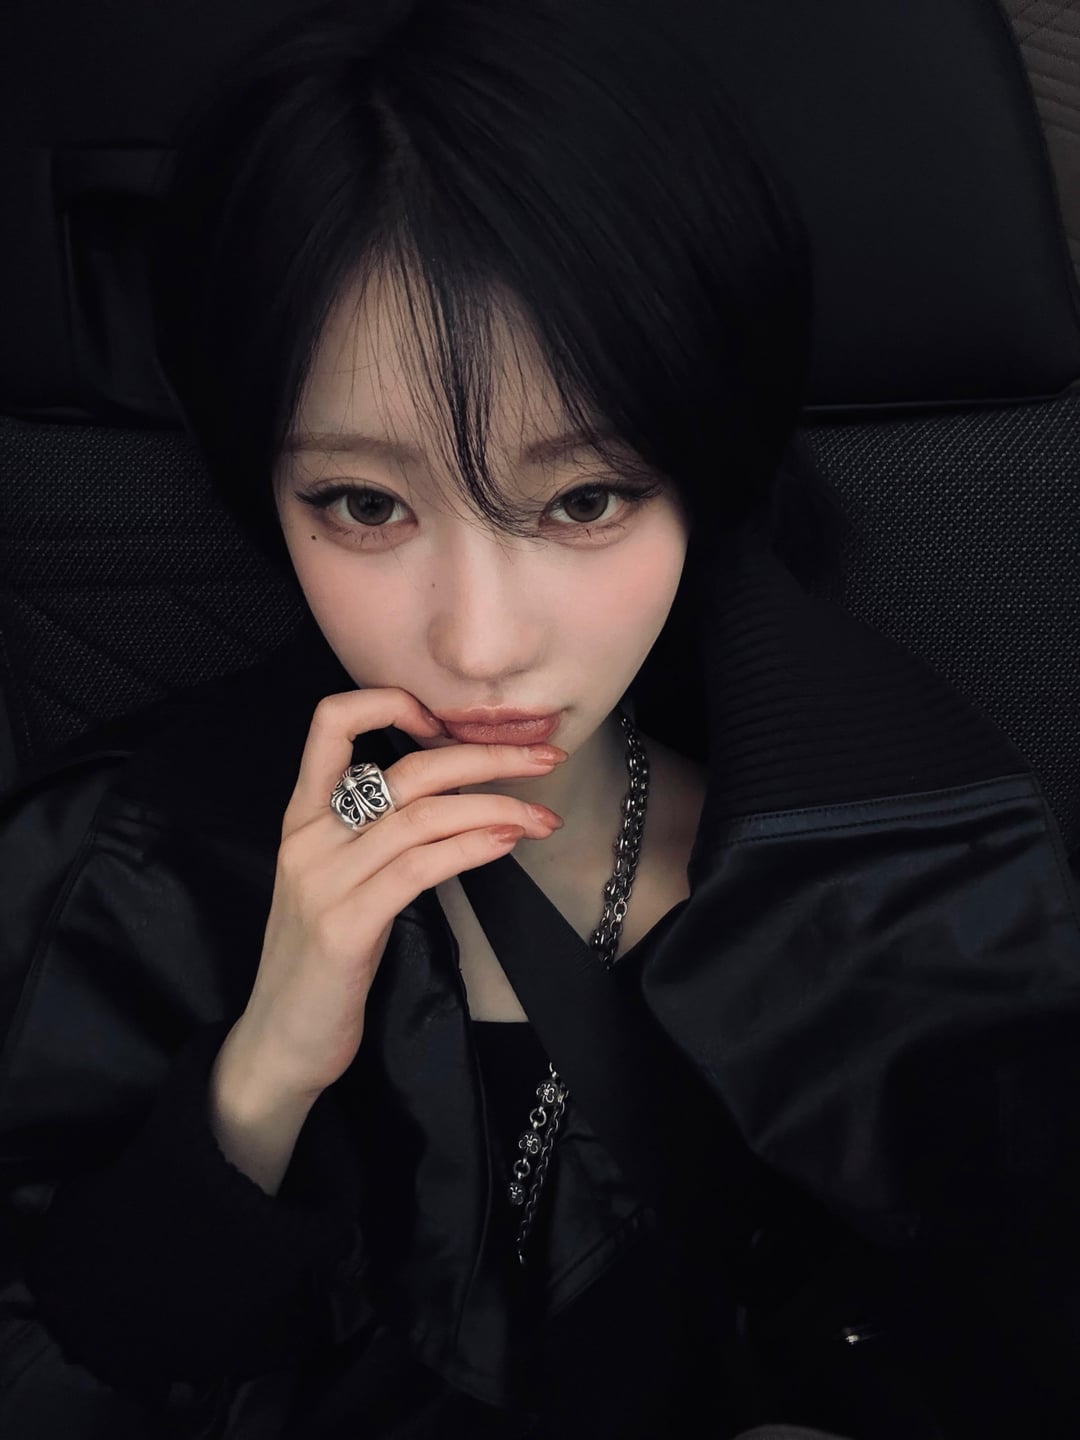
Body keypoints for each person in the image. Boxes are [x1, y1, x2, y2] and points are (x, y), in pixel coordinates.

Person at [2, 0, 1080, 1437]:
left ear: (703, 472)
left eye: (582, 500)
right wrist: (264, 1071)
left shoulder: (918, 883)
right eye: (364, 504)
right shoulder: (110, 877)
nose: (482, 641)